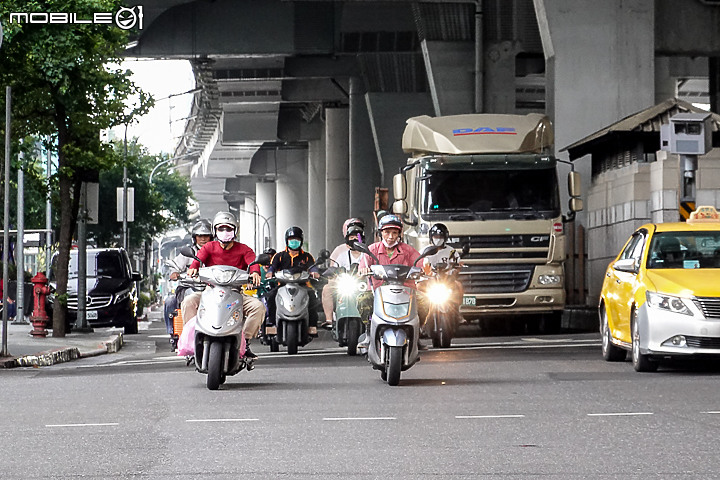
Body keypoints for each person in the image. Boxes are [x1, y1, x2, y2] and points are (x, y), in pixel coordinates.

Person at [183, 211, 265, 358]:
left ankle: (244, 343)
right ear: (215, 231)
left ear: (235, 231)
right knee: (188, 302)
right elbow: (196, 262)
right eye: (221, 229)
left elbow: (252, 263)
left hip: (236, 293)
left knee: (258, 307)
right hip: (209, 291)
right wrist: (193, 269)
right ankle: (194, 339)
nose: (225, 232)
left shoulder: (244, 249)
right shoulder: (208, 247)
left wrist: (255, 273)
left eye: (229, 229)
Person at [357, 214, 425, 349]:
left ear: (399, 234)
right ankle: (369, 333)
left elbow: (421, 265)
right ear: (381, 233)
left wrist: (424, 270)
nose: (390, 236)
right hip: (378, 292)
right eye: (387, 232)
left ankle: (416, 334)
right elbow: (362, 268)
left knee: (425, 301)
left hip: (406, 292)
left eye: (394, 233)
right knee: (363, 299)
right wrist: (363, 270)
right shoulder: (371, 250)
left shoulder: (408, 250)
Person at [164, 219, 212, 349]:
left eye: (206, 236)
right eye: (199, 236)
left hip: (211, 288)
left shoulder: (216, 252)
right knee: (170, 301)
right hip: (189, 287)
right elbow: (175, 266)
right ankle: (174, 334)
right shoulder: (188, 252)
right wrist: (174, 273)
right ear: (194, 238)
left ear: (211, 237)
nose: (202, 239)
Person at [264, 226, 321, 336]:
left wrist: (315, 272)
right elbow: (272, 267)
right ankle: (272, 323)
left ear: (301, 241)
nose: (294, 242)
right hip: (282, 285)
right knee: (271, 297)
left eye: (297, 240)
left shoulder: (307, 256)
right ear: (287, 241)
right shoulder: (279, 256)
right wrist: (270, 273)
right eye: (291, 240)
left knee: (313, 297)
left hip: (302, 285)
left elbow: (312, 267)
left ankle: (312, 324)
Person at [321, 218, 366, 328]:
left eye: (357, 237)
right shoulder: (341, 253)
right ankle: (329, 320)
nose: (355, 239)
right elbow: (332, 269)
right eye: (352, 237)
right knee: (327, 289)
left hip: (363, 284)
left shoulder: (368, 253)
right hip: (345, 283)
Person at [420, 223, 465, 323]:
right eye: (436, 236)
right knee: (417, 290)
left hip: (446, 280)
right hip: (430, 280)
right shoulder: (425, 251)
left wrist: (456, 269)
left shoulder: (451, 251)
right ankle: (422, 318)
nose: (438, 239)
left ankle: (457, 312)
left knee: (459, 286)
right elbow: (419, 264)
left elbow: (458, 263)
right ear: (431, 237)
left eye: (440, 237)